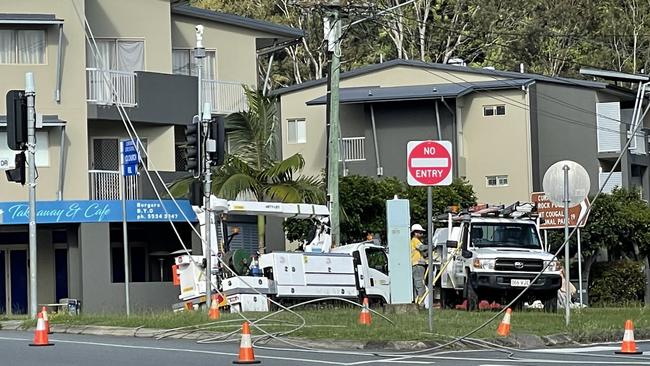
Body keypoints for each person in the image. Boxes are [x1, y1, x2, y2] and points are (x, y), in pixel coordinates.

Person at [410, 224, 427, 301]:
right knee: (420, 284)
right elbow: (422, 247)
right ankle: (421, 303)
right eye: (420, 232)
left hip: (417, 264)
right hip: (417, 264)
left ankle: (417, 301)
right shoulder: (415, 240)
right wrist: (431, 246)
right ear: (415, 233)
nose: (421, 234)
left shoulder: (414, 241)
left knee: (418, 283)